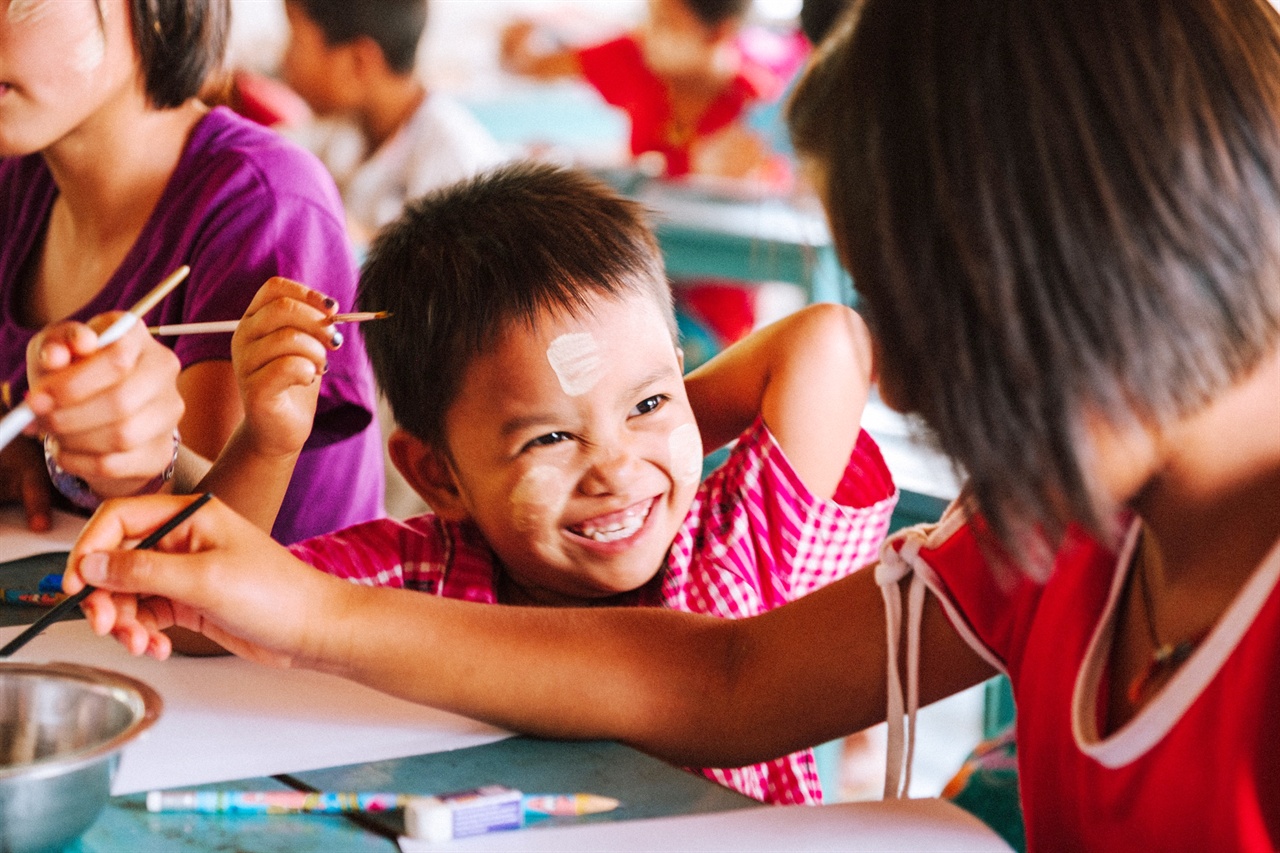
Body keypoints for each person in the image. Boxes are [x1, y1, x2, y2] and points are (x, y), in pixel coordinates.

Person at [65, 0, 1280, 848]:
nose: (899, 391)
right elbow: (732, 675)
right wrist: (316, 601)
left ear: (1086, 254)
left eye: (919, 312)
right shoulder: (1057, 534)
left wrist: (583, 436)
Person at [126, 161, 897, 803]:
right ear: (438, 475)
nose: (614, 470)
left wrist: (650, 429)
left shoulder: (737, 542)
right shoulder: (422, 573)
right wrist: (270, 437)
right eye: (551, 437)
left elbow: (829, 339)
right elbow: (199, 617)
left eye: (651, 401)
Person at [0, 0, 384, 544]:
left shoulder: (267, 202)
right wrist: (26, 445)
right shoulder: (17, 183)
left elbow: (213, 539)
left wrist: (144, 467)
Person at [278, 0, 508, 249]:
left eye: (297, 42)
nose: (285, 61)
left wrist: (350, 237)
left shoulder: (459, 166)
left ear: (359, 62)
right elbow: (271, 152)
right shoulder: (343, 126)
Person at [499, 0, 805, 181]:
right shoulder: (634, 57)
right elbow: (526, 65)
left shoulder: (757, 103)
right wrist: (521, 31)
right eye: (649, 17)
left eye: (666, 23)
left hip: (719, 277)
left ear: (719, 33)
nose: (649, 33)